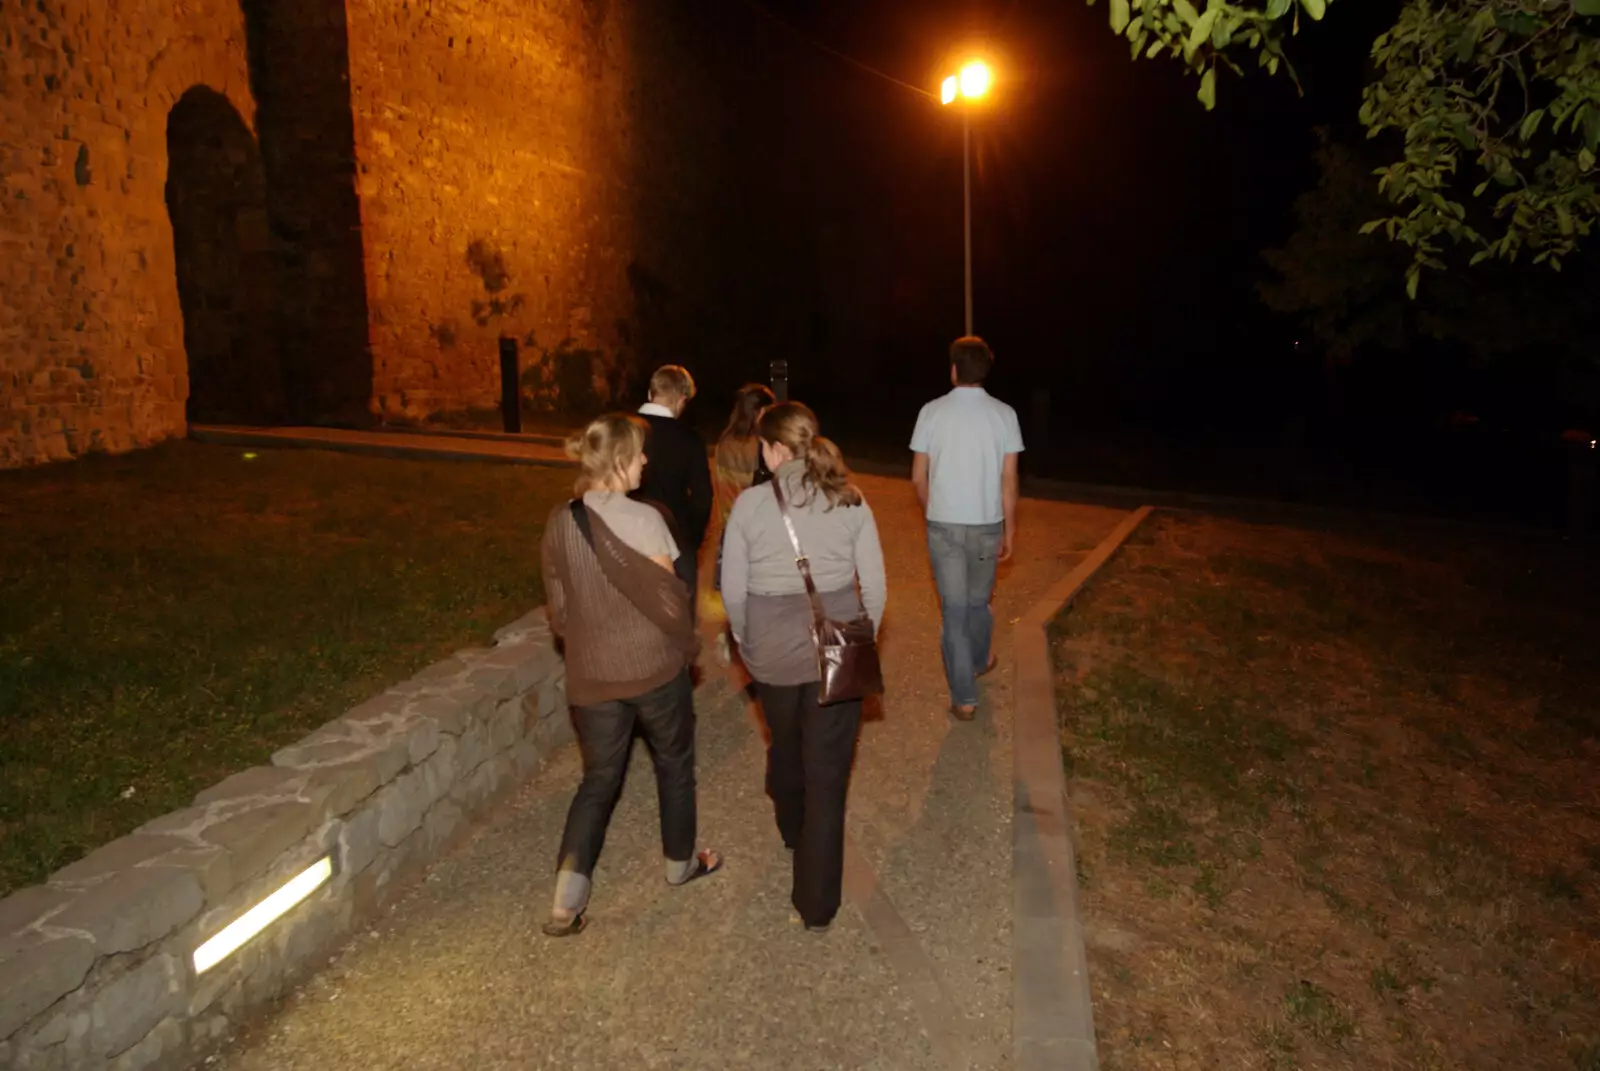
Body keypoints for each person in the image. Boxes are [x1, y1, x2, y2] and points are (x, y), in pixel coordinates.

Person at [540, 413, 722, 937]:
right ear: (620, 461)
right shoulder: (646, 521)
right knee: (674, 763)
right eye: (640, 453)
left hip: (592, 679)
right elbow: (669, 605)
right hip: (654, 671)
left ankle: (564, 902)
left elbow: (560, 614)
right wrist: (689, 646)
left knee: (598, 780)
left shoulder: (560, 521)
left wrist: (592, 643)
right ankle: (679, 865)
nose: (646, 460)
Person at [721, 402, 886, 932]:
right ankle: (817, 904)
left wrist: (746, 643)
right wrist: (863, 637)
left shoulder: (748, 506)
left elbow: (733, 591)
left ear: (772, 450)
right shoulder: (851, 498)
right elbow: (875, 587)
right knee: (828, 773)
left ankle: (792, 825)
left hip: (770, 646)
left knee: (785, 741)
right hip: (836, 645)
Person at [909, 336, 1024, 721]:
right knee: (977, 603)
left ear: (954, 369)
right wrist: (1010, 530)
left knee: (955, 611)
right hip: (987, 525)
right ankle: (977, 661)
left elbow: (918, 476)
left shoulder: (931, 412)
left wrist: (933, 509)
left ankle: (965, 697)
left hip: (943, 524)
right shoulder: (1005, 415)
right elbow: (1009, 480)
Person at [631, 365, 714, 617]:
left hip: (624, 534)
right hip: (674, 539)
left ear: (650, 393)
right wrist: (692, 538)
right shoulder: (689, 438)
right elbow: (702, 498)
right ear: (681, 400)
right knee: (677, 618)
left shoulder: (623, 429)